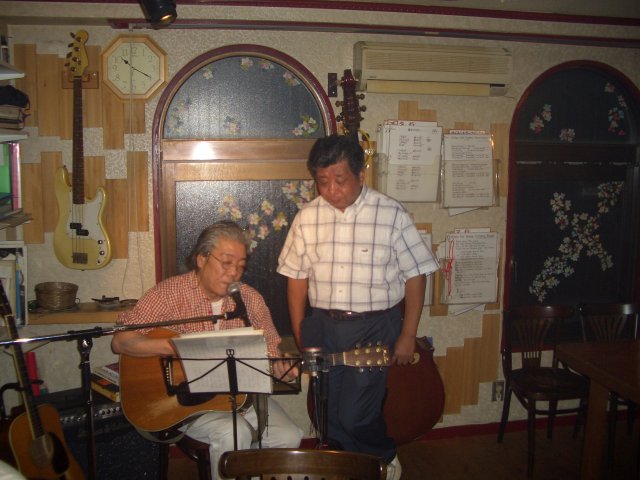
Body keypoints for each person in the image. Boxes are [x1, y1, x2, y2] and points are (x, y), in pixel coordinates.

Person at [277, 134, 439, 480]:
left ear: (361, 175)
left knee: (354, 414)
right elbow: (296, 278)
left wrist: (408, 334)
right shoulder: (307, 217)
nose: (331, 190)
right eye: (323, 181)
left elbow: (416, 275)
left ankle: (383, 458)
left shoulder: (390, 213)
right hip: (323, 325)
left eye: (340, 180)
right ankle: (349, 468)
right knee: (328, 415)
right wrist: (301, 332)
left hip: (374, 326)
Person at [112, 221, 303, 480]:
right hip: (187, 404)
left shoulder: (250, 300)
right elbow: (121, 341)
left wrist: (282, 369)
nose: (234, 272)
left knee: (289, 436)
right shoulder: (169, 293)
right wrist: (174, 347)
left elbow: (271, 352)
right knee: (233, 433)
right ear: (202, 259)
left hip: (243, 400)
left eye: (240, 266)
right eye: (226, 262)